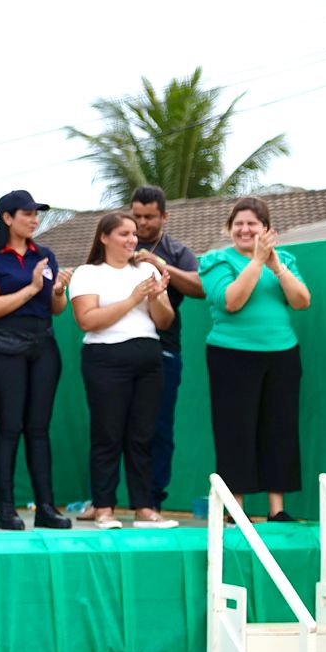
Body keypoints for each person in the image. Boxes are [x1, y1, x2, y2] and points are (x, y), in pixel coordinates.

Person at [200, 196, 311, 521]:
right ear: (230, 228)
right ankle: (235, 509)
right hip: (231, 356)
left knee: (279, 428)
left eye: (252, 224)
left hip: (282, 355)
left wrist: (275, 264)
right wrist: (257, 262)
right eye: (239, 224)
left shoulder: (285, 259)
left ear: (267, 230)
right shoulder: (216, 260)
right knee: (236, 429)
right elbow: (231, 301)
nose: (245, 230)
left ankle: (277, 509)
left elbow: (302, 300)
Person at [0, 190, 73, 531]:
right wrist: (31, 288)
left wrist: (57, 291)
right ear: (7, 218)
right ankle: (5, 509)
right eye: (27, 213)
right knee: (9, 426)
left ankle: (45, 507)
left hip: (43, 345)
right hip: (2, 348)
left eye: (36, 214)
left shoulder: (44, 255)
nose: (34, 219)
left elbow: (56, 309)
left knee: (39, 429)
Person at [69, 212, 175, 529]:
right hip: (105, 359)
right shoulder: (88, 273)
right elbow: (88, 320)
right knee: (108, 434)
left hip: (148, 359)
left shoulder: (147, 270)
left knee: (143, 435)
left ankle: (144, 507)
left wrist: (155, 298)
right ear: (104, 237)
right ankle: (104, 507)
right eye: (124, 234)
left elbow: (164, 320)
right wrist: (133, 298)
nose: (132, 240)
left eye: (134, 234)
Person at [127, 185, 204, 513]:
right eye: (137, 216)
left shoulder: (175, 250)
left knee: (158, 427)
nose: (141, 224)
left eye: (149, 217)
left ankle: (152, 499)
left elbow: (200, 287)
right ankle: (100, 500)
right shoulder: (119, 241)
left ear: (164, 216)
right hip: (119, 346)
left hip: (164, 349)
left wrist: (160, 264)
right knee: (112, 425)